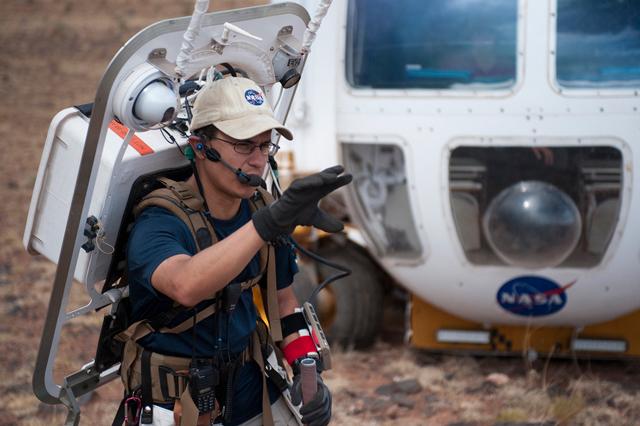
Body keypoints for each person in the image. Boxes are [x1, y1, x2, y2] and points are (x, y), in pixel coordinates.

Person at [124, 76, 351, 426]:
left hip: (248, 383)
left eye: (265, 146)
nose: (258, 160)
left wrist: (307, 368)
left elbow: (285, 303)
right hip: (176, 401)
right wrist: (265, 226)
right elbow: (185, 284)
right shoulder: (159, 221)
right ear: (201, 147)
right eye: (244, 145)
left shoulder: (261, 208)